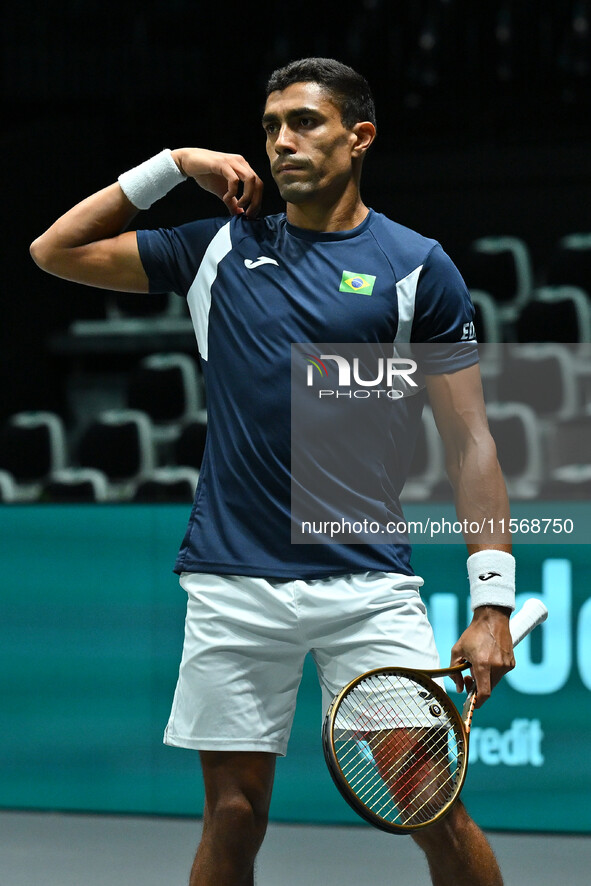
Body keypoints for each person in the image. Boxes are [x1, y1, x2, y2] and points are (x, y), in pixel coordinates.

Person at [31, 57, 516, 886]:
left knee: (429, 805)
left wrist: (492, 604)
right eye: (269, 127)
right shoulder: (216, 246)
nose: (281, 141)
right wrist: (176, 165)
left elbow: (471, 440)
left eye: (304, 122)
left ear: (359, 137)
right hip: (232, 581)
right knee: (232, 815)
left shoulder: (415, 267)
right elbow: (53, 250)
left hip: (365, 585)